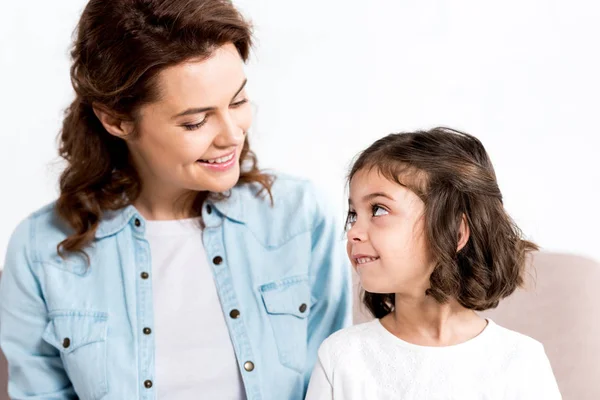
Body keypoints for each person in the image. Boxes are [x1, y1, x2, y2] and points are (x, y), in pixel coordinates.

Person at [0, 1, 351, 399]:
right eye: (195, 121)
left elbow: (334, 385)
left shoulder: (300, 218)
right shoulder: (40, 249)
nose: (232, 134)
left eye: (237, 101)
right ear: (116, 119)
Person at [305, 127, 561, 399]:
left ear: (454, 232)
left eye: (378, 209)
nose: (353, 231)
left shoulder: (521, 362)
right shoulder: (341, 357)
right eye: (353, 214)